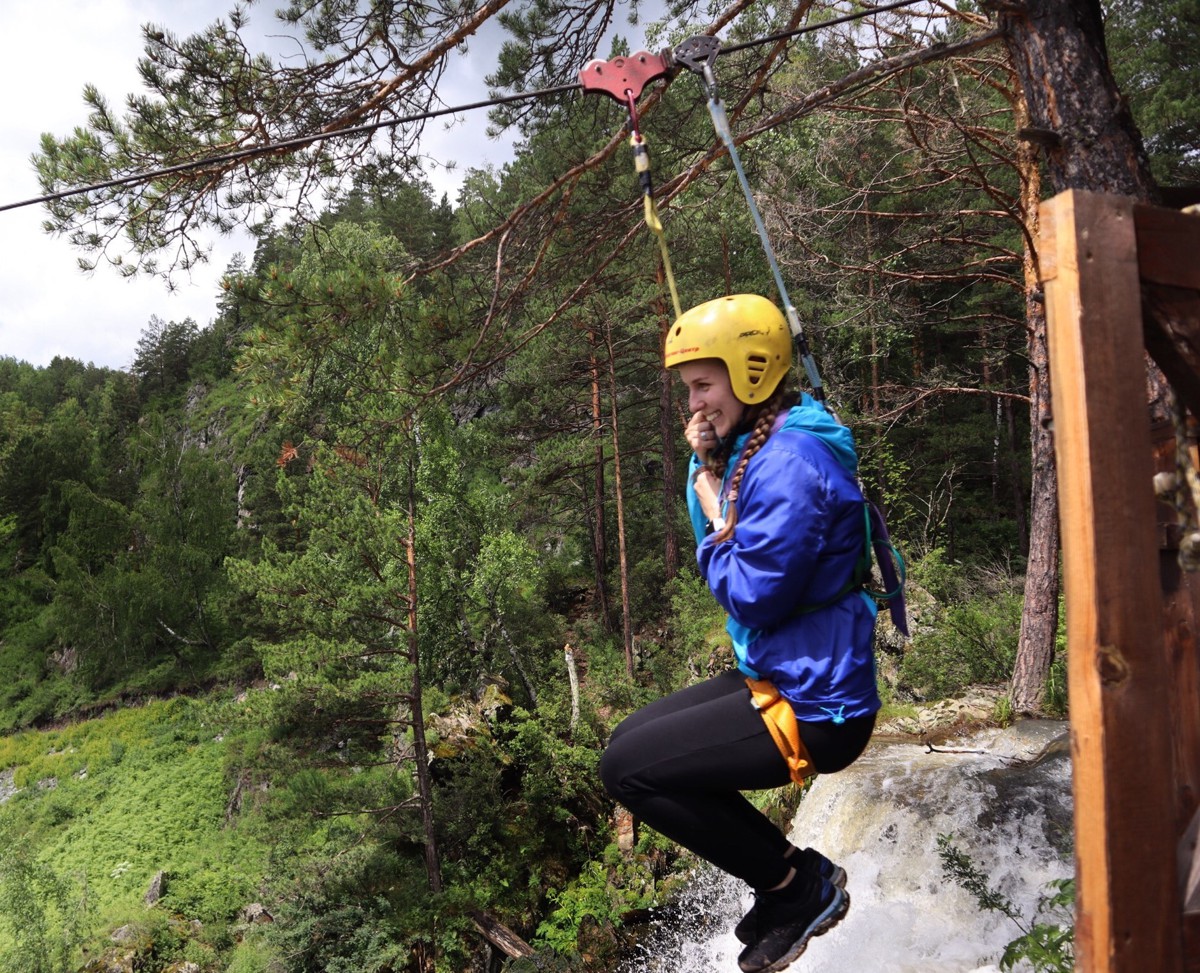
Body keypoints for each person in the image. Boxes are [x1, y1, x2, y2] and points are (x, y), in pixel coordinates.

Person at [599, 294, 881, 973]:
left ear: (752, 372)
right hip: (786, 673)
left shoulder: (789, 462)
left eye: (703, 384)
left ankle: (793, 888)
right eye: (688, 389)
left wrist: (707, 498)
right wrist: (710, 476)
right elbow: (731, 551)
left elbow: (751, 593)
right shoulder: (767, 442)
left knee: (627, 771)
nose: (692, 404)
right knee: (626, 748)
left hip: (815, 708)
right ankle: (788, 871)